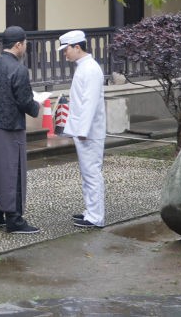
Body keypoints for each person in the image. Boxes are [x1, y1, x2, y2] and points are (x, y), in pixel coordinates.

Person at [0, 26, 43, 234]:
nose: (25, 47)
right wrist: (37, 106)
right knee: (12, 171)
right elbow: (25, 101)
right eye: (25, 44)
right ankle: (14, 219)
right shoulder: (19, 69)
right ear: (18, 45)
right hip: (11, 127)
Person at [59, 29, 106, 229]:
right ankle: (91, 211)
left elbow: (89, 103)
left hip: (89, 131)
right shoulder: (85, 67)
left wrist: (83, 131)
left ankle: (96, 216)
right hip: (84, 130)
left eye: (66, 49)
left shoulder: (90, 69)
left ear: (77, 47)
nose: (65, 53)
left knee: (92, 173)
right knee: (88, 173)